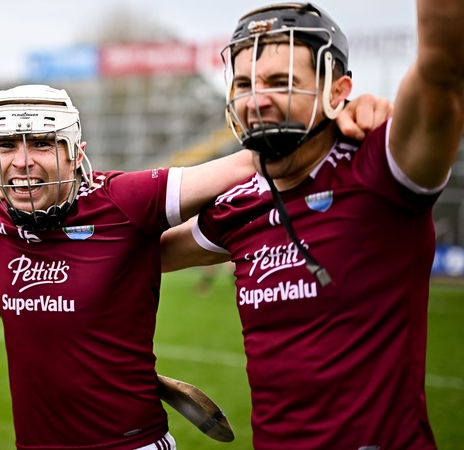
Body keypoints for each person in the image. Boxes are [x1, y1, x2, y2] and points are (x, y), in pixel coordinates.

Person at [0, 82, 388, 448]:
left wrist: (334, 121)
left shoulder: (123, 200)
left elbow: (252, 164)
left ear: (75, 153)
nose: (22, 161)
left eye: (43, 143)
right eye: (7, 144)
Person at [160, 2, 464, 448]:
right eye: (244, 84)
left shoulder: (382, 166)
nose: (257, 99)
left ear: (338, 91)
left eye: (282, 82)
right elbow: (132, 253)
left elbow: (444, 65)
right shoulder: (238, 205)